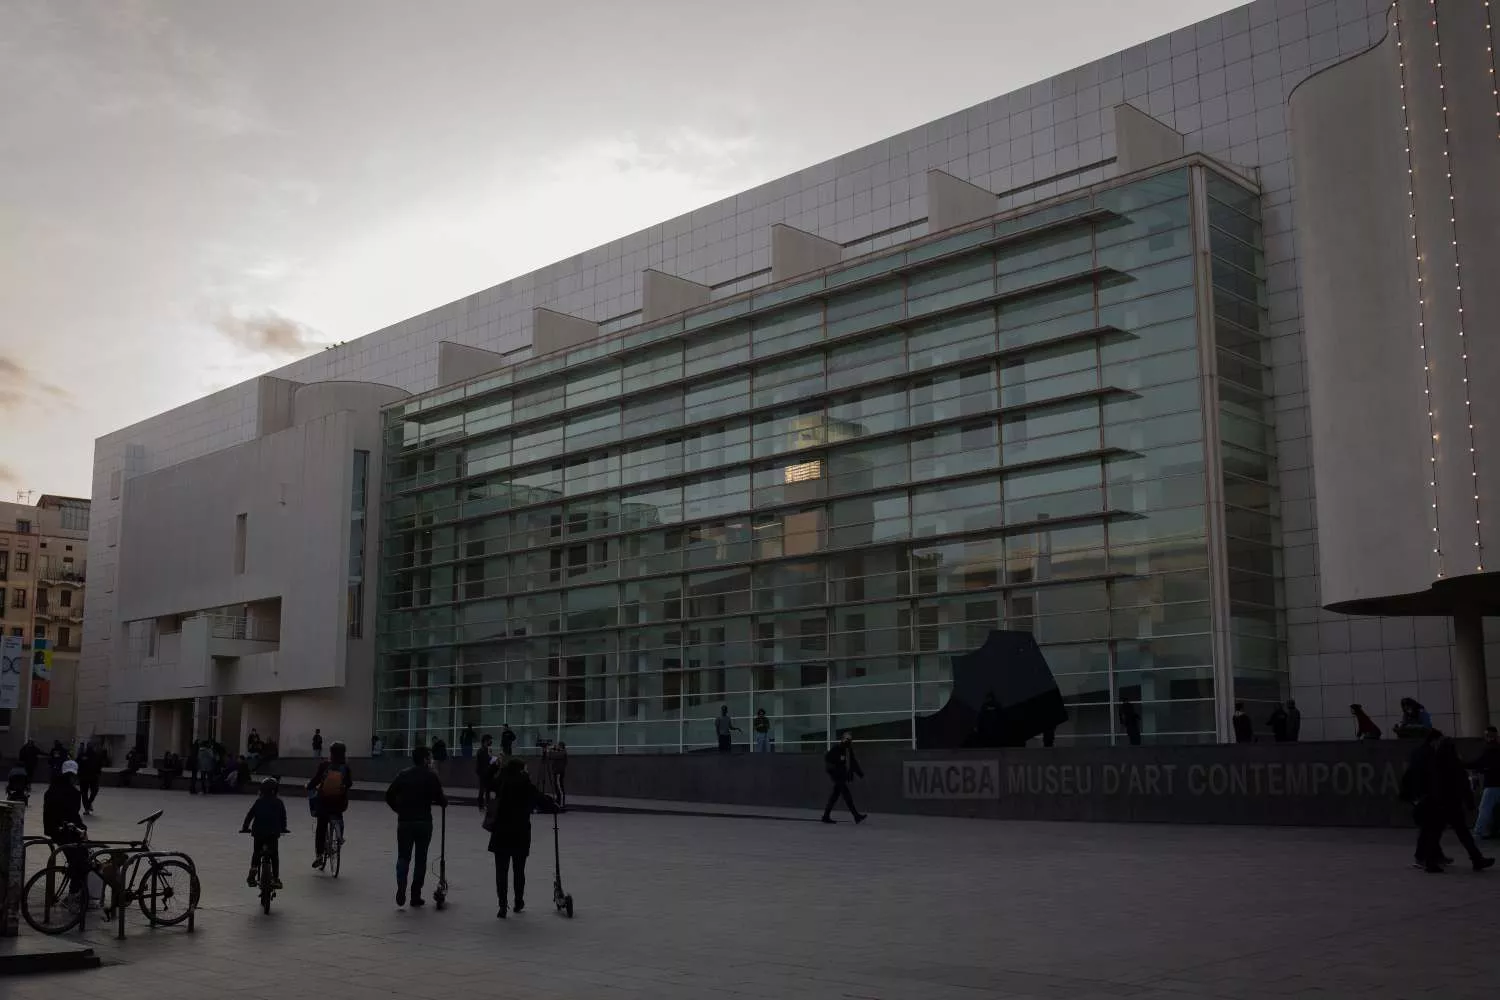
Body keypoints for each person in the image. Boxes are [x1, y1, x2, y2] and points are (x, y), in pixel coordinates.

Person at [1403, 730, 1495, 873]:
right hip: (1453, 805)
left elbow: (1432, 783)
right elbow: (1464, 785)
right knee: (1462, 833)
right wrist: (1470, 803)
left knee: (1434, 833)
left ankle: (1431, 862)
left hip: (1439, 804)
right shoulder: (1454, 764)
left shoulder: (1435, 762)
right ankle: (1476, 859)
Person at [485, 756, 555, 919]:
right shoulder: (526, 784)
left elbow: (487, 780)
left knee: (501, 871)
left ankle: (502, 905)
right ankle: (518, 901)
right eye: (525, 768)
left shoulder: (501, 781)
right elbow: (541, 800)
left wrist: (494, 767)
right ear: (521, 769)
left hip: (501, 832)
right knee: (519, 870)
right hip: (520, 832)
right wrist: (554, 806)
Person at [384, 746, 447, 908]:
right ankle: (415, 895)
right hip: (424, 822)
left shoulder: (403, 774)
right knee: (421, 858)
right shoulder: (431, 776)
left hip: (405, 822)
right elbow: (441, 799)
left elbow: (389, 795)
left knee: (403, 856)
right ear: (425, 759)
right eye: (430, 757)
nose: (431, 760)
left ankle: (401, 884)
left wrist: (399, 809)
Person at [43, 760, 88, 901]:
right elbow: (73, 815)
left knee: (75, 858)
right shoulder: (74, 793)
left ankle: (75, 891)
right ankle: (74, 893)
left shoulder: (51, 789)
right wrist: (83, 829)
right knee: (82, 859)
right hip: (66, 831)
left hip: (53, 830)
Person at [307, 741, 352, 870]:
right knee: (338, 815)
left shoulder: (324, 765)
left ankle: (319, 855)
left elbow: (315, 780)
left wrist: (308, 786)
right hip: (339, 803)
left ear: (331, 752)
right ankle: (339, 837)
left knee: (321, 827)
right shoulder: (345, 767)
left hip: (324, 802)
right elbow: (349, 783)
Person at [241, 776, 289, 888]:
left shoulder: (259, 801)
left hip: (258, 832)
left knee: (257, 852)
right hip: (273, 833)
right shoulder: (279, 802)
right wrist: (283, 828)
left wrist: (245, 827)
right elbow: (283, 817)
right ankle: (276, 878)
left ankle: (253, 871)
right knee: (274, 855)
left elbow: (250, 815)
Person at [821, 733, 867, 824]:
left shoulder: (848, 750)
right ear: (843, 740)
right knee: (847, 795)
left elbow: (853, 762)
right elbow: (827, 758)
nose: (849, 742)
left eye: (850, 740)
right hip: (837, 776)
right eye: (847, 740)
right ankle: (856, 816)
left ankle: (826, 816)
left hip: (842, 776)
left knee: (834, 796)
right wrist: (834, 771)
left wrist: (860, 774)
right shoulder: (837, 749)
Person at [1466, 725, 1500, 840]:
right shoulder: (1494, 748)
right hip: (1494, 784)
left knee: (1485, 809)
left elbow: (1479, 763)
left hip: (1492, 785)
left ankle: (1479, 831)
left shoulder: (1490, 749)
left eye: (1488, 735)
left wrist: (1460, 763)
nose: (1487, 738)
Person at [77, 741, 102, 814]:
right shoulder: (83, 755)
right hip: (86, 777)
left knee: (92, 791)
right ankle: (87, 808)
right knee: (86, 793)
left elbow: (99, 765)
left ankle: (88, 804)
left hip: (91, 777)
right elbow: (77, 763)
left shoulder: (96, 755)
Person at [476, 734, 495, 812]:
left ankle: (487, 805)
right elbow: (484, 761)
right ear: (486, 741)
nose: (491, 742)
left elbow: (489, 760)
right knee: (482, 790)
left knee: (487, 790)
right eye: (490, 740)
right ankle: (481, 806)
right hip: (483, 773)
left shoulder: (488, 750)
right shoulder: (481, 750)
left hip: (488, 772)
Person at [549, 740, 568, 809]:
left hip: (559, 773)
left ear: (560, 746)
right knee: (557, 787)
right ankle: (558, 801)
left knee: (559, 788)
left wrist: (550, 750)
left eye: (557, 745)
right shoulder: (560, 752)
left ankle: (561, 804)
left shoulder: (562, 753)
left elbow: (551, 756)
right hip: (557, 772)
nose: (556, 746)